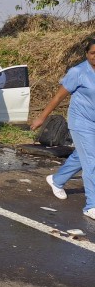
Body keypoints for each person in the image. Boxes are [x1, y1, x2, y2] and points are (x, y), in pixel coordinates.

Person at [30, 36, 95, 220]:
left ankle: (57, 180)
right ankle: (91, 205)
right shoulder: (78, 72)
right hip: (81, 122)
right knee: (92, 161)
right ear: (86, 54)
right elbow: (58, 97)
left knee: (82, 157)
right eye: (92, 53)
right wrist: (42, 118)